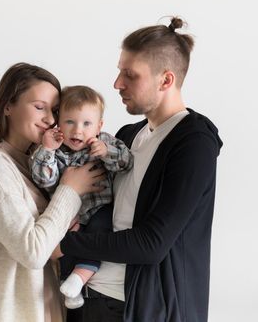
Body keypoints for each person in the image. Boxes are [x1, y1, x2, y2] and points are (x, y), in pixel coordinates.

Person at [55, 17, 223, 322]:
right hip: (87, 301)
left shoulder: (193, 143)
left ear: (166, 80)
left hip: (140, 310)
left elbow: (151, 245)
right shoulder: (126, 137)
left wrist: (61, 243)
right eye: (120, 71)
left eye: (130, 75)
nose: (117, 83)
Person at [0, 63, 105, 322]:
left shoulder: (38, 167)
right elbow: (33, 251)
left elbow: (51, 249)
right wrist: (70, 190)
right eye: (39, 107)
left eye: (55, 110)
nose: (51, 119)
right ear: (8, 106)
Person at [30, 85, 133, 309]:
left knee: (98, 234)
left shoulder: (104, 142)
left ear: (99, 126)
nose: (77, 131)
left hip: (99, 210)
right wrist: (47, 150)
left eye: (86, 124)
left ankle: (79, 279)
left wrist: (106, 152)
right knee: (66, 245)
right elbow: (44, 180)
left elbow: (126, 162)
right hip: (69, 214)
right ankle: (70, 287)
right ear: (58, 123)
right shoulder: (55, 150)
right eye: (70, 122)